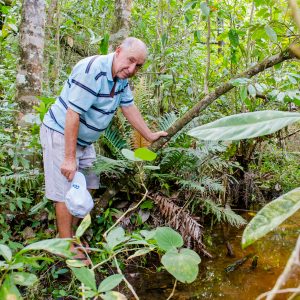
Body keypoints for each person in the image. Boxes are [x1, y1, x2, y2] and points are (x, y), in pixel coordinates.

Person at [40, 37, 168, 262]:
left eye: (138, 66)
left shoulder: (121, 78)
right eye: (130, 61)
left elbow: (128, 106)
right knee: (65, 192)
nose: (132, 69)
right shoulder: (93, 71)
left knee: (89, 184)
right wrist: (69, 158)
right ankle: (66, 247)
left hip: (84, 140)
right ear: (118, 51)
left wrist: (149, 135)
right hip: (60, 133)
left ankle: (74, 235)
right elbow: (73, 114)